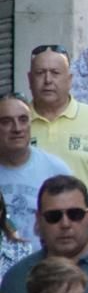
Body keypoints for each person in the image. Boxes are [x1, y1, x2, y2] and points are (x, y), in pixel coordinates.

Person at [26, 46, 88, 191]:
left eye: (55, 73)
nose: (48, 80)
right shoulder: (14, 124)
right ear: (29, 79)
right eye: (40, 73)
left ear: (69, 79)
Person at [0, 94, 70, 251]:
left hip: (44, 269)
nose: (17, 128)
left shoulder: (55, 169)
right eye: (6, 122)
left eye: (23, 120)